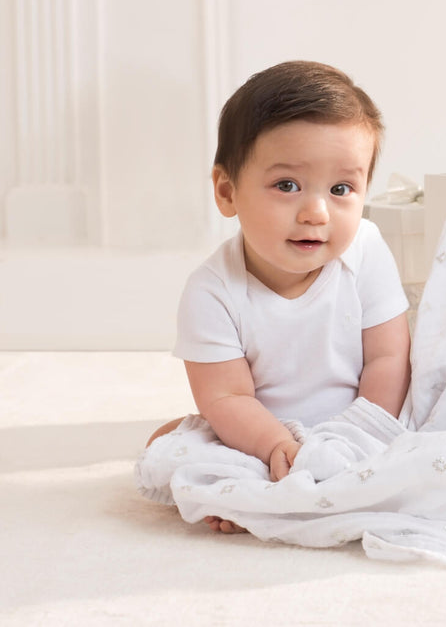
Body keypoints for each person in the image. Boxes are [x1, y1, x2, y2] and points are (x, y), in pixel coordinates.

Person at [145, 61, 411, 532]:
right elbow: (225, 397)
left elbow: (388, 359)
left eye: (341, 188)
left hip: (362, 421)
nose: (315, 211)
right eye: (287, 186)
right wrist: (276, 447)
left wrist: (364, 437)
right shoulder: (212, 291)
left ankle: (269, 497)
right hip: (258, 433)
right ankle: (247, 491)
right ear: (227, 192)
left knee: (431, 440)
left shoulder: (366, 248)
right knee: (170, 445)